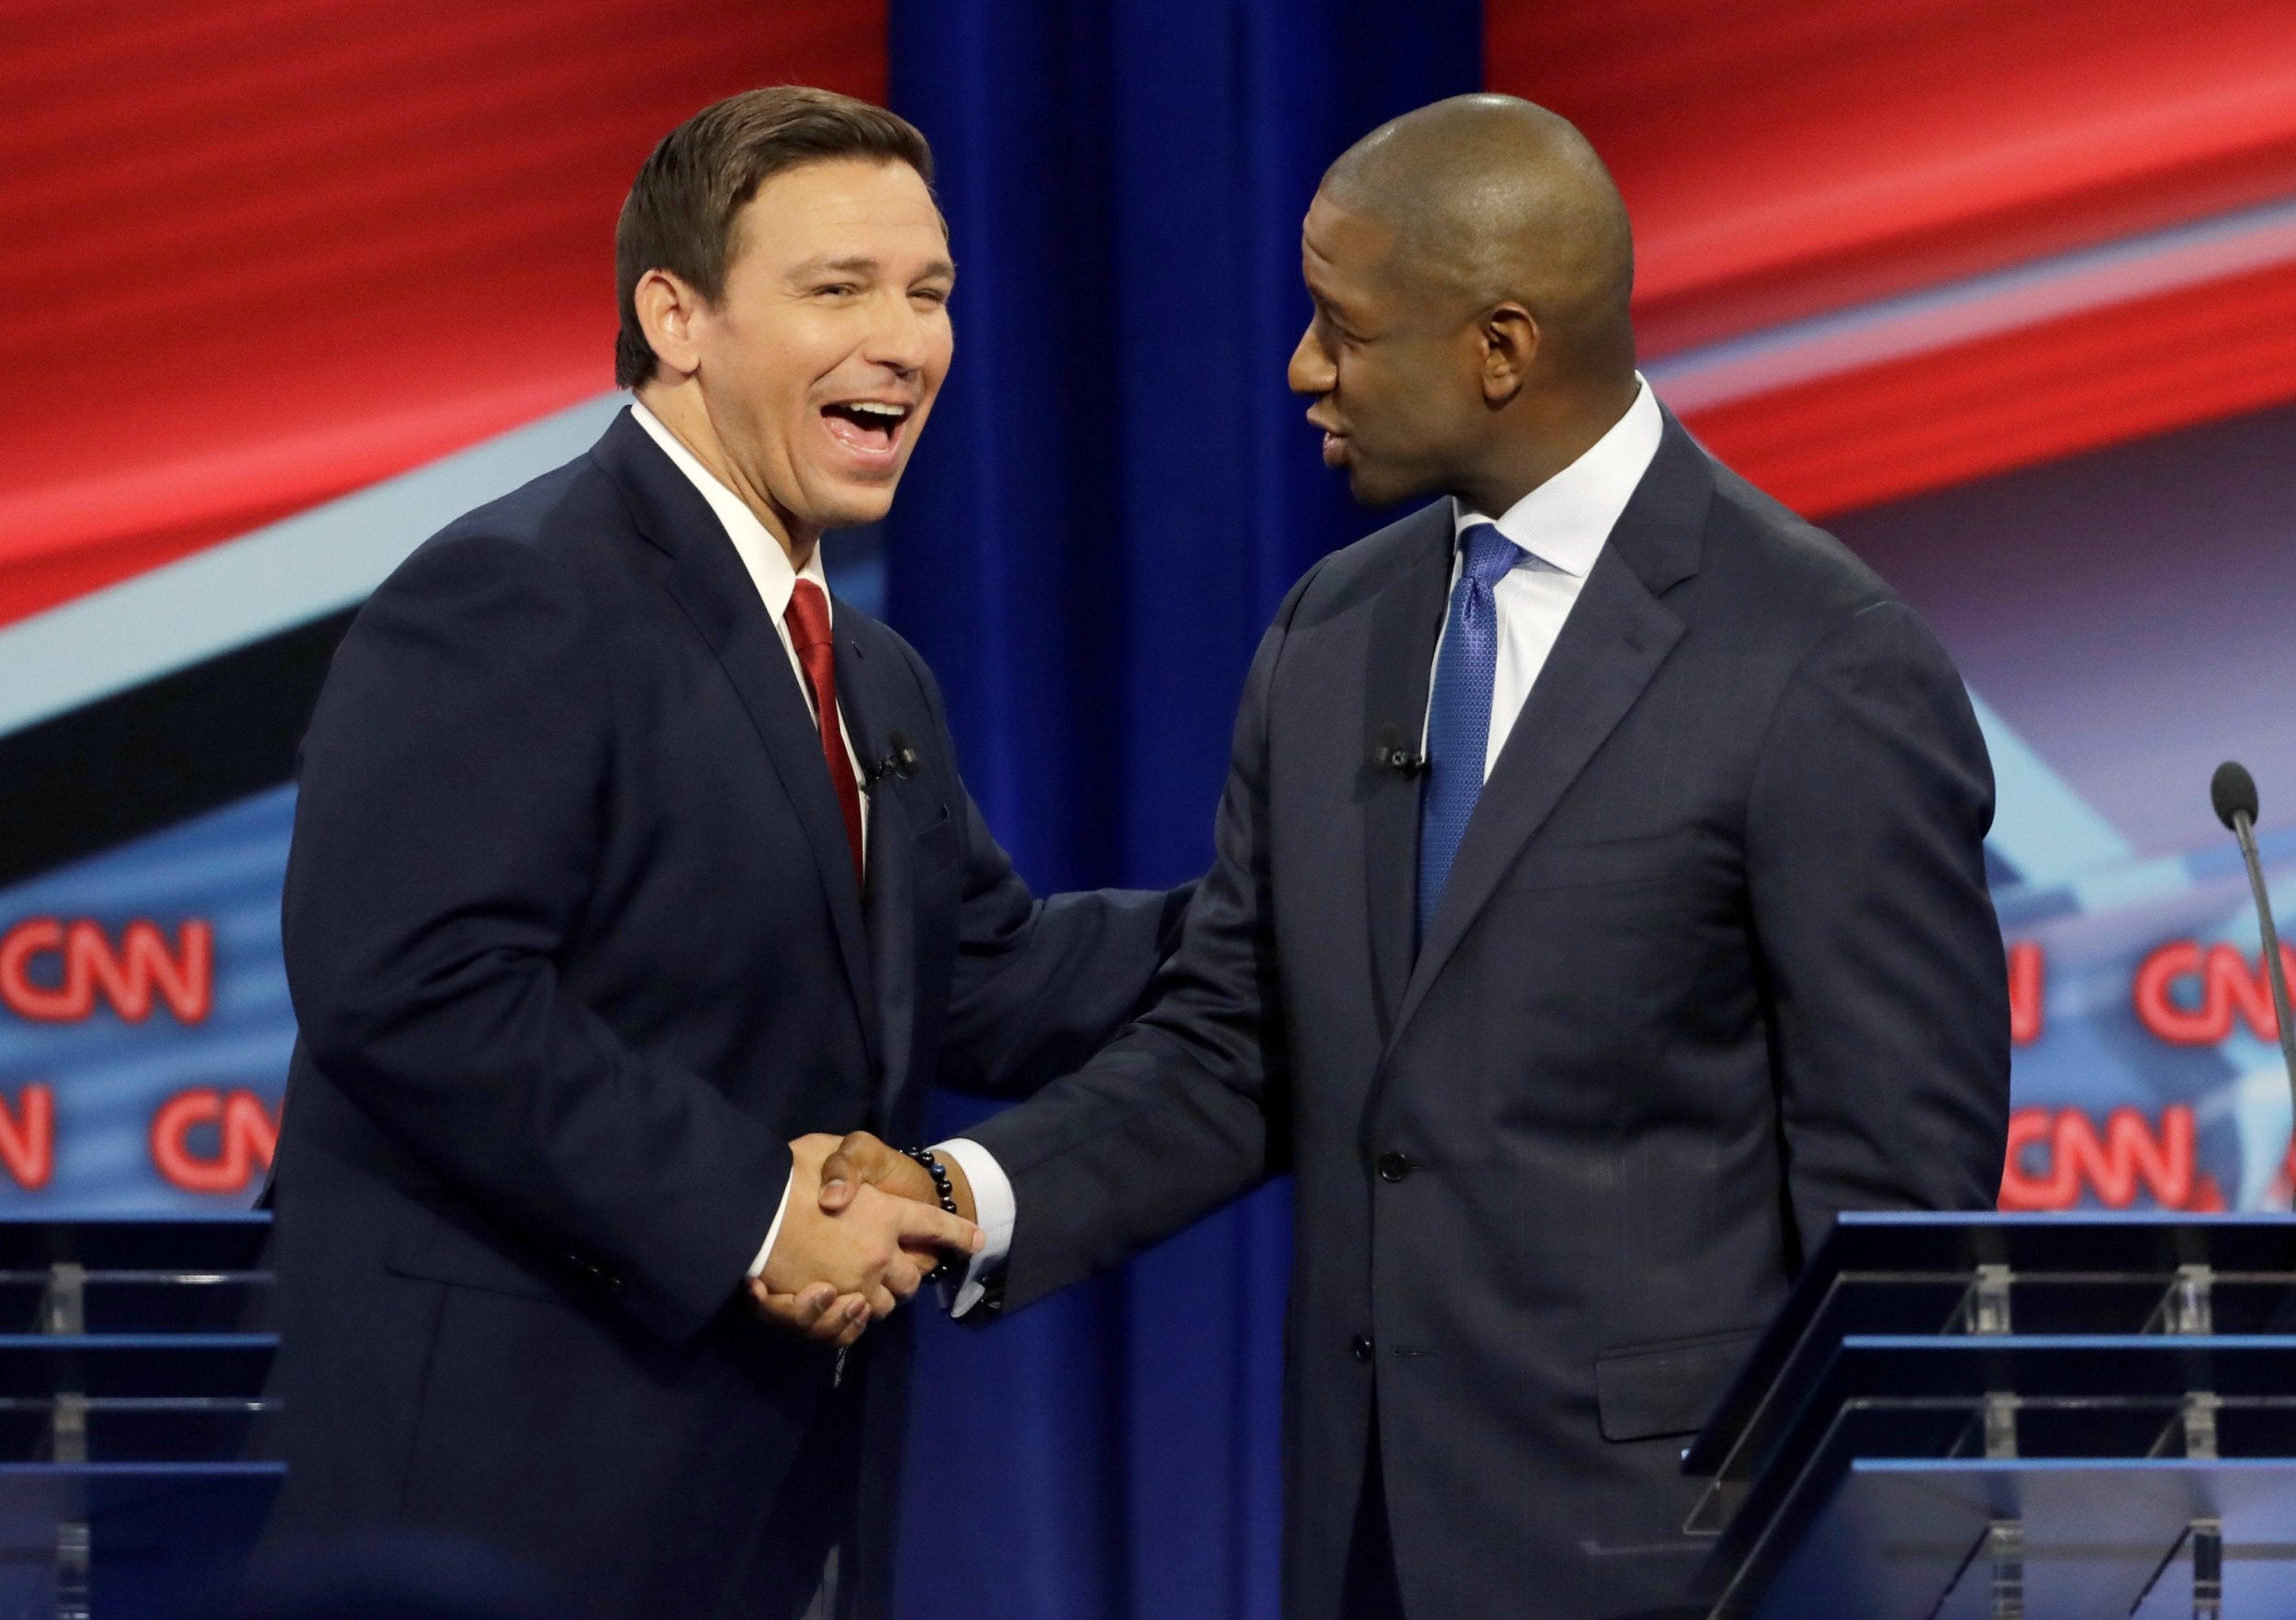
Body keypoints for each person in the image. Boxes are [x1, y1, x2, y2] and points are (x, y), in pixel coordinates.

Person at [820, 95, 2011, 1620]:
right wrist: (960, 1197)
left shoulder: (1819, 662)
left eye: (1343, 327)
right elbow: (1237, 1041)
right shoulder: (1335, 628)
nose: (1305, 369)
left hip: (1685, 1556)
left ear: (1499, 349)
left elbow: (1897, 1207)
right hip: (1365, 1539)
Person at [264, 87, 1184, 1620]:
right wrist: (758, 1208)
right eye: (840, 289)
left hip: (752, 1484)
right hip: (502, 1490)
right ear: (675, 318)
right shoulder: (516, 593)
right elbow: (412, 987)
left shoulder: (866, 665)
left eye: (931, 292)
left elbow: (992, 982)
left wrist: (1317, 897)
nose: (904, 339)